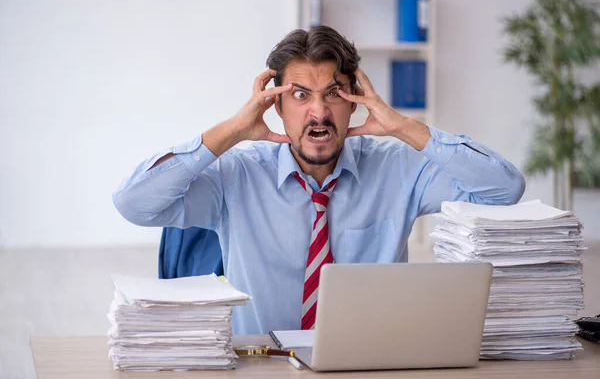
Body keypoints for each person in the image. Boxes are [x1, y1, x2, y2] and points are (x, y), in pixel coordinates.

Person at [113, 26, 525, 334]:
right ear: (274, 105)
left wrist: (402, 126)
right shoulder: (236, 175)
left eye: (333, 93)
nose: (319, 113)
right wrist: (233, 130)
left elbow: (502, 190)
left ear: (355, 100)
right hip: (264, 369)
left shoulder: (397, 168)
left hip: (369, 367)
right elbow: (135, 203)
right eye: (300, 95)